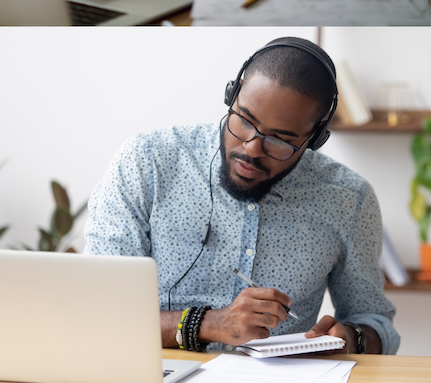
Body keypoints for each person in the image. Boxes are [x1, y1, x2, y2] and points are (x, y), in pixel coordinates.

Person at [84, 37, 399, 354]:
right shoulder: (147, 162)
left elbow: (376, 323)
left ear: (315, 139)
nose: (252, 148)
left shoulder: (349, 198)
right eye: (245, 120)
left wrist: (351, 338)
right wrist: (210, 324)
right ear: (231, 96)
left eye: (280, 140)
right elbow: (97, 310)